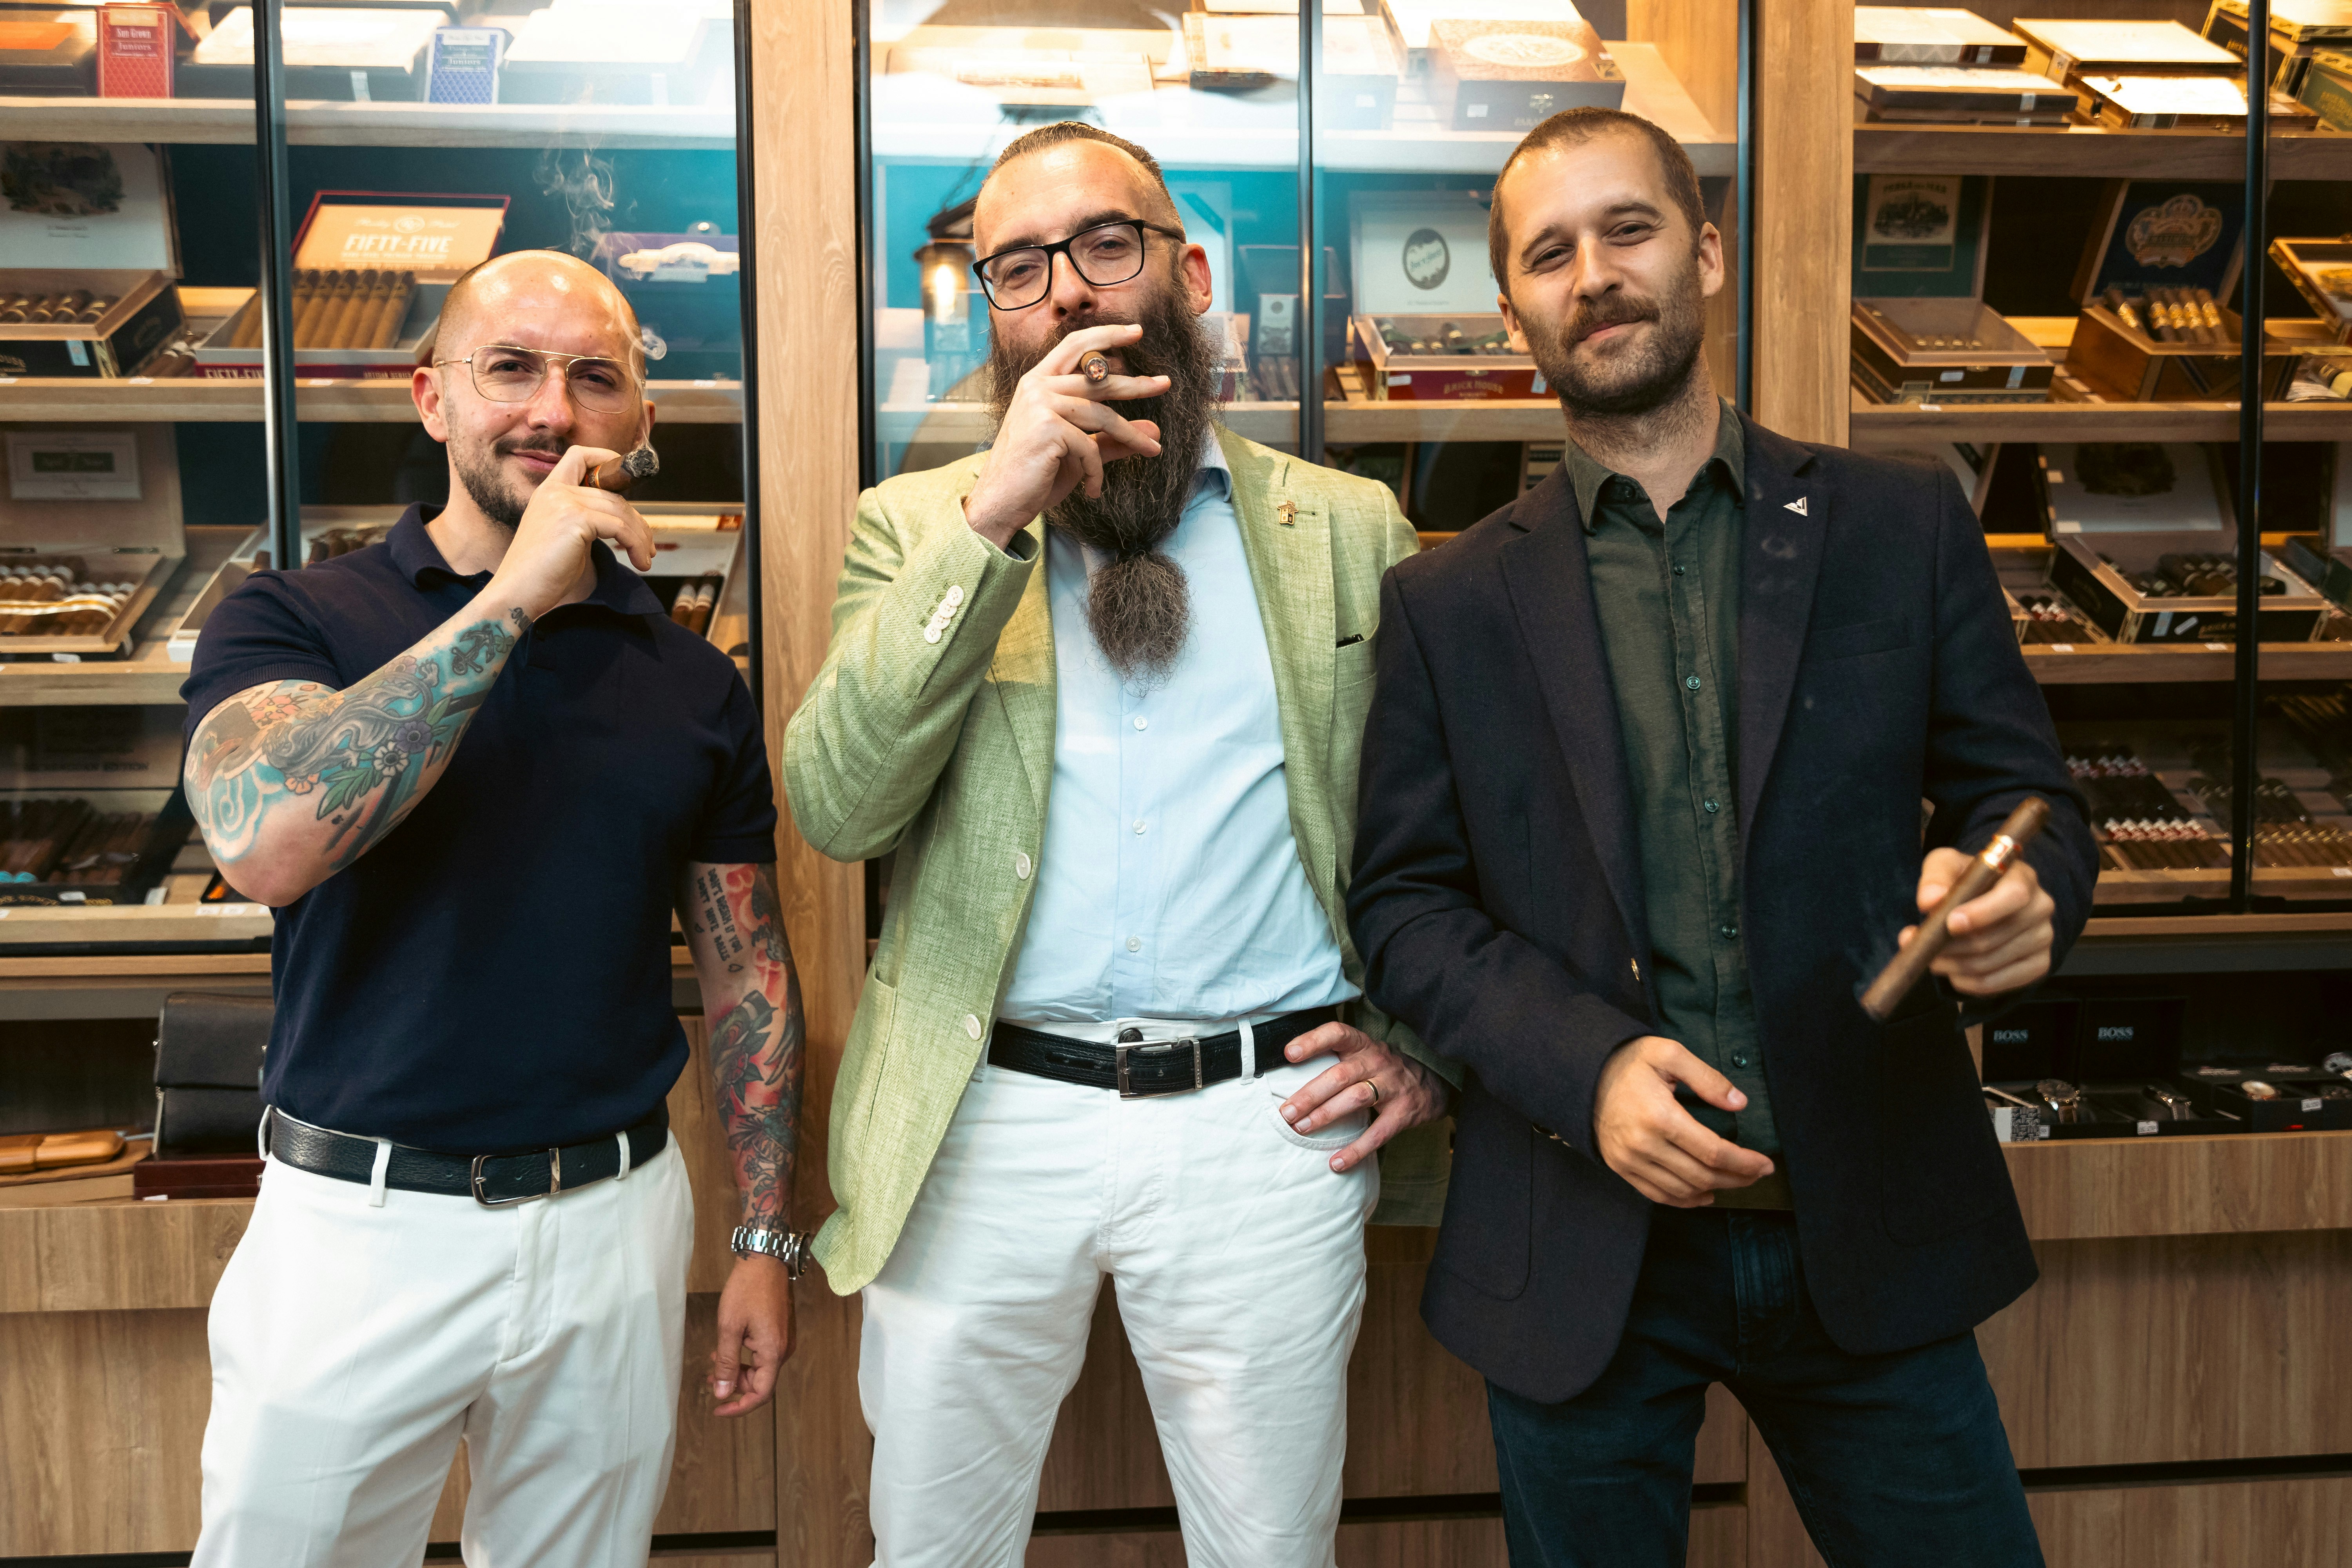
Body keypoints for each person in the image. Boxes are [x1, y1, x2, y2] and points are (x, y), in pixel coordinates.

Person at [1346, 109, 2100, 1567]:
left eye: (1627, 231)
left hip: (1867, 1220)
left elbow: (2033, 809)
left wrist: (2025, 902)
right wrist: (1591, 1069)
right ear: (1515, 312)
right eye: (1550, 255)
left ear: (1704, 250)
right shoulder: (1449, 604)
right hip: (1582, 1243)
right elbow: (1406, 908)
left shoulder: (1901, 526)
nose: (1595, 276)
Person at [782, 121, 1455, 1567]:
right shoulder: (916, 527)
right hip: (981, 1121)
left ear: (1190, 275)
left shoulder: (1347, 529)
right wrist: (996, 512)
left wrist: (1417, 1039)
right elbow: (839, 806)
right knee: (934, 1550)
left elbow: (1448, 827)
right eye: (1017, 269)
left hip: (1267, 1124)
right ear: (993, 317)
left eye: (1106, 245)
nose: (1071, 293)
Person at [178, 250, 804, 1568]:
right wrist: (516, 595)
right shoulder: (295, 615)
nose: (552, 410)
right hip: (356, 1226)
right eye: (509, 368)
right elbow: (266, 842)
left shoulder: (692, 683)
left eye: (597, 377)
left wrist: (760, 1234)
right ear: (430, 399)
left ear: (642, 416)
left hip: (610, 1227)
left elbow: (748, 977)